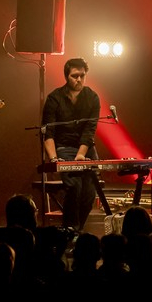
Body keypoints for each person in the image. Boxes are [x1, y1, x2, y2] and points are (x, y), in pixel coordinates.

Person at [42, 57, 101, 231]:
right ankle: (70, 230)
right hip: (63, 148)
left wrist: (81, 155)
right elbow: (48, 132)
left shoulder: (92, 97)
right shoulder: (54, 98)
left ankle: (76, 230)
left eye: (82, 75)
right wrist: (54, 159)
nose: (79, 80)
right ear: (66, 76)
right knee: (75, 187)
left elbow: (89, 131)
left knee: (90, 192)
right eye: (75, 76)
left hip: (87, 149)